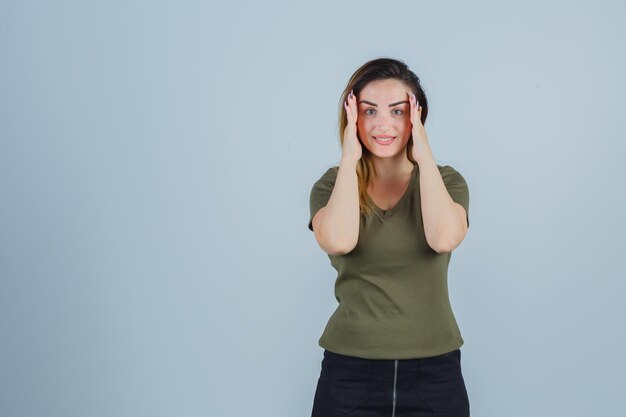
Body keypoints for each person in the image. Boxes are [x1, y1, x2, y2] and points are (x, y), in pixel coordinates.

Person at [307, 57, 471, 417]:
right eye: (369, 111)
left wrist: (424, 156)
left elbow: (444, 238)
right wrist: (349, 158)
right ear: (352, 118)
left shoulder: (447, 182)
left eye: (398, 112)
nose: (383, 124)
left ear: (417, 117)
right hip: (349, 374)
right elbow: (338, 240)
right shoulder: (332, 184)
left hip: (434, 374)